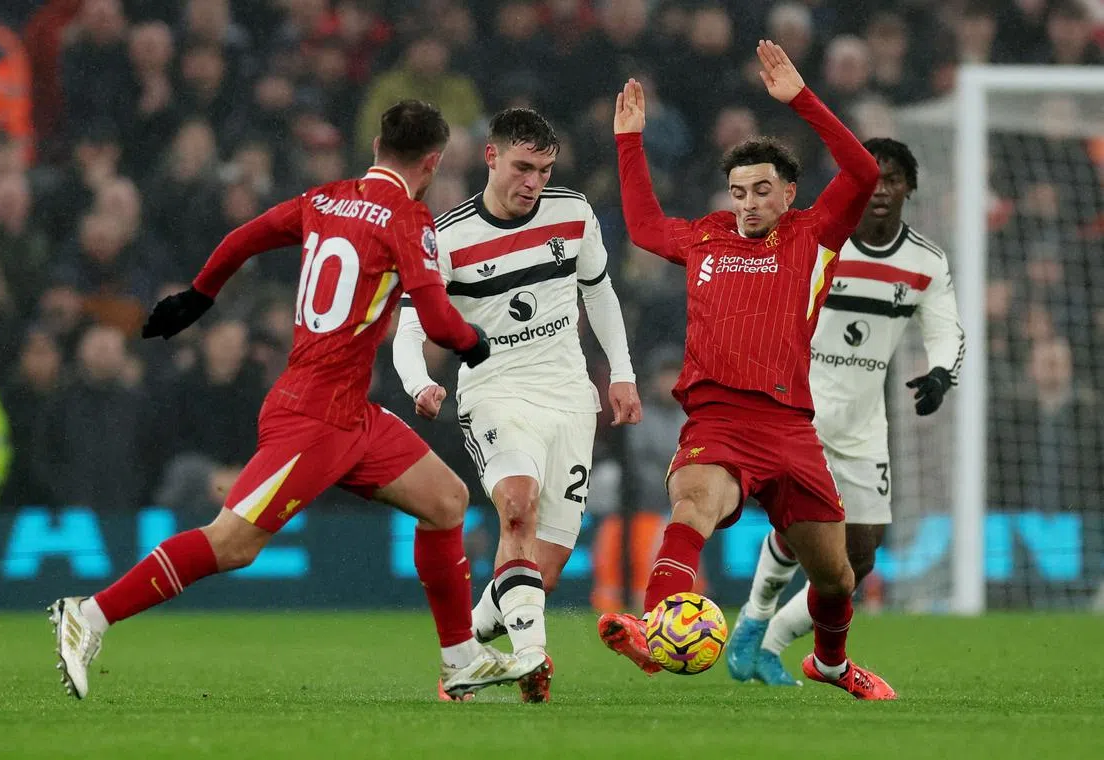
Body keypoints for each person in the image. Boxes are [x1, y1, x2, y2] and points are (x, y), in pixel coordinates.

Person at [49, 100, 546, 701]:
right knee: (232, 542)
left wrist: (199, 296)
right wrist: (476, 343)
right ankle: (89, 615)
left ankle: (461, 658)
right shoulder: (407, 217)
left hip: (349, 413)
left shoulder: (324, 199)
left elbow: (243, 238)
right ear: (433, 163)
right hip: (314, 417)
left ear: (376, 148)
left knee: (445, 500)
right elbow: (440, 322)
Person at [598, 41, 895, 700]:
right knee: (693, 505)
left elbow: (863, 171)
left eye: (762, 190)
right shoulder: (706, 237)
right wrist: (629, 141)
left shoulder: (814, 234)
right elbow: (644, 226)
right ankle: (654, 628)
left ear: (788, 192)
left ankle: (831, 664)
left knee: (837, 578)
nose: (749, 203)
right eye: (739, 193)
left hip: (790, 428)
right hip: (719, 420)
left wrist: (802, 100)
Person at [392, 107, 639, 702]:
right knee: (517, 506)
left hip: (570, 397)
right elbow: (408, 329)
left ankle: (466, 658)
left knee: (539, 573)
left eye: (544, 171)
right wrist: (418, 383)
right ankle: (532, 658)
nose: (534, 182)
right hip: (495, 391)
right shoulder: (446, 239)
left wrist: (623, 373)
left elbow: (599, 293)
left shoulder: (572, 213)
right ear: (492, 157)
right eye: (523, 168)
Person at [725, 138, 964, 686]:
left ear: (909, 188)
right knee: (800, 529)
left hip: (863, 423)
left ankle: (772, 640)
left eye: (892, 179)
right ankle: (754, 622)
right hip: (799, 409)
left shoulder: (925, 261)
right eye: (870, 177)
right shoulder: (819, 240)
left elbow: (946, 328)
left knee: (859, 560)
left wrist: (941, 373)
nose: (879, 189)